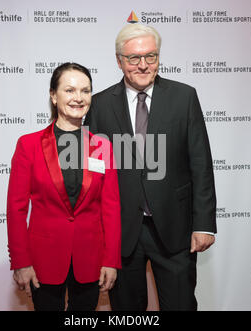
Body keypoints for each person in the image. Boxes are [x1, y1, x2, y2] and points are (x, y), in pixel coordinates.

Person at [84, 24, 217, 311]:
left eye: (151, 56)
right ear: (119, 60)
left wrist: (204, 223)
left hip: (176, 229)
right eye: (134, 58)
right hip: (122, 233)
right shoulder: (99, 106)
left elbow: (201, 164)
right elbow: (94, 176)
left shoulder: (184, 97)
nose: (144, 65)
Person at [7, 62, 121, 311]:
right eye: (69, 90)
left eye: (85, 90)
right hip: (42, 261)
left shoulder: (103, 148)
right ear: (53, 95)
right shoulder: (28, 145)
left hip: (90, 261)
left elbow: (111, 208)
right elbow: (15, 209)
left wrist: (111, 260)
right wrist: (21, 262)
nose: (78, 98)